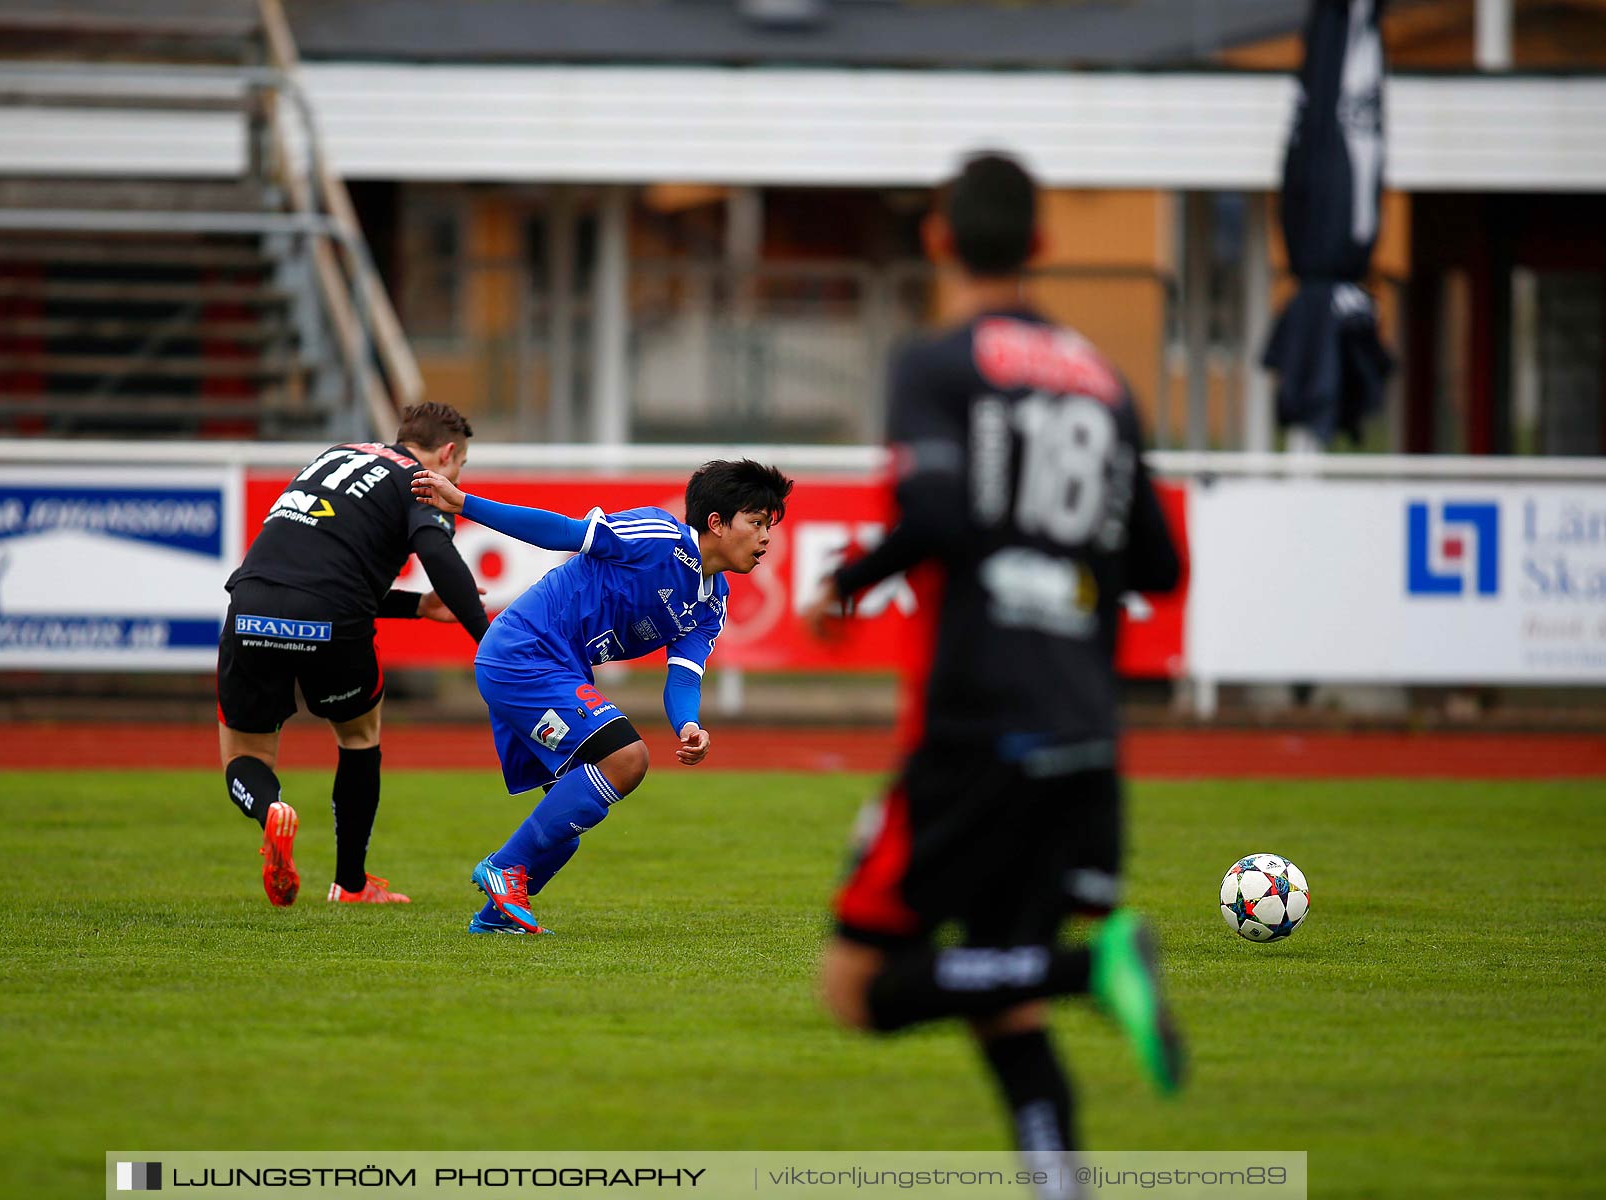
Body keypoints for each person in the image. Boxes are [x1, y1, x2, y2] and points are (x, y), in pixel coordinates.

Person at [807, 152, 1186, 1186]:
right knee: (1001, 1005)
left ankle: (1093, 969)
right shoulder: (1106, 384)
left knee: (856, 986)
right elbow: (1158, 562)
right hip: (1084, 732)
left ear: (938, 239)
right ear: (1043, 247)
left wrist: (853, 576)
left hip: (975, 728)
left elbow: (931, 511)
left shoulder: (936, 364)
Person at [411, 459, 793, 934]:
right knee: (627, 759)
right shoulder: (658, 536)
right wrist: (464, 503)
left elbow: (683, 679)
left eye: (768, 526)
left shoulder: (712, 602)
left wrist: (688, 725)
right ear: (716, 523)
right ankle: (503, 866)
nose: (765, 539)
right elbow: (560, 532)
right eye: (756, 523)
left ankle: (497, 919)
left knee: (564, 825)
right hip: (524, 652)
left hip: (556, 670)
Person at [218, 401, 491, 907]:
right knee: (359, 736)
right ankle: (350, 883)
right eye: (461, 466)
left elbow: (317, 569)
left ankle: (271, 811)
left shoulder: (334, 456)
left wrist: (417, 607)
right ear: (447, 454)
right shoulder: (419, 479)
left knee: (245, 755)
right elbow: (436, 553)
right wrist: (487, 639)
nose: (457, 478)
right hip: (332, 621)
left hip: (251, 604)